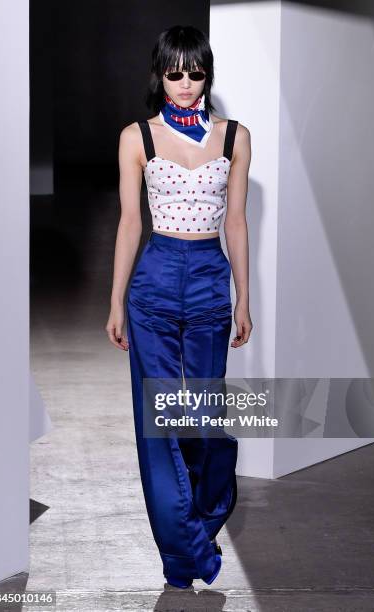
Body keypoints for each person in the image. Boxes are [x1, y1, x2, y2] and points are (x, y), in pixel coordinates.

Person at [106, 24, 252, 589]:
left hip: (212, 279)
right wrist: (116, 301)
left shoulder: (235, 135)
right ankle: (180, 555)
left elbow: (236, 222)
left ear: (207, 74)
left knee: (206, 417)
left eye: (196, 72)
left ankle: (200, 526)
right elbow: (128, 223)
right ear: (159, 74)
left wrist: (244, 297)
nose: (186, 83)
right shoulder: (136, 137)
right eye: (175, 72)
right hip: (155, 283)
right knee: (160, 424)